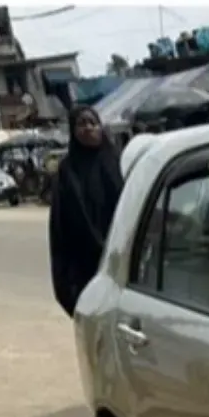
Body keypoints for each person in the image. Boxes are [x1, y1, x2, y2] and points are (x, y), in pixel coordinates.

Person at [49, 106, 123, 317]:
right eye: (82, 124)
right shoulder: (66, 171)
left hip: (120, 255)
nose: (89, 128)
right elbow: (60, 226)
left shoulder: (116, 162)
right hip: (85, 265)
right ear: (73, 131)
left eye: (93, 123)